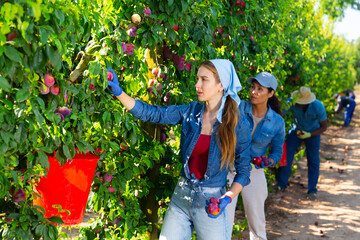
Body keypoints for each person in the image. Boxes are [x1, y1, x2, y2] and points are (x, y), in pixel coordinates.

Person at [105, 59, 252, 240]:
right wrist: (119, 93)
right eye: (197, 79)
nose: (197, 85)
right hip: (182, 196)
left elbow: (244, 171)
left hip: (211, 201)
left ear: (221, 85)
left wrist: (227, 198)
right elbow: (153, 113)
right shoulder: (191, 111)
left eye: (204, 79)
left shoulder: (238, 123)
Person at [227, 72, 285, 240]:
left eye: (260, 89)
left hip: (254, 172)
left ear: (271, 93)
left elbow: (277, 151)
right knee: (224, 219)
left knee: (257, 222)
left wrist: (270, 160)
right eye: (253, 87)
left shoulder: (277, 121)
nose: (254, 92)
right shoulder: (238, 107)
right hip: (229, 168)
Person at [276, 86, 327, 200]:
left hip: (313, 132)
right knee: (286, 155)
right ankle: (281, 184)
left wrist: (309, 134)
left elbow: (324, 127)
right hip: (296, 130)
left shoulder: (318, 106)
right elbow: (279, 116)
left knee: (313, 160)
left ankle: (312, 190)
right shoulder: (291, 102)